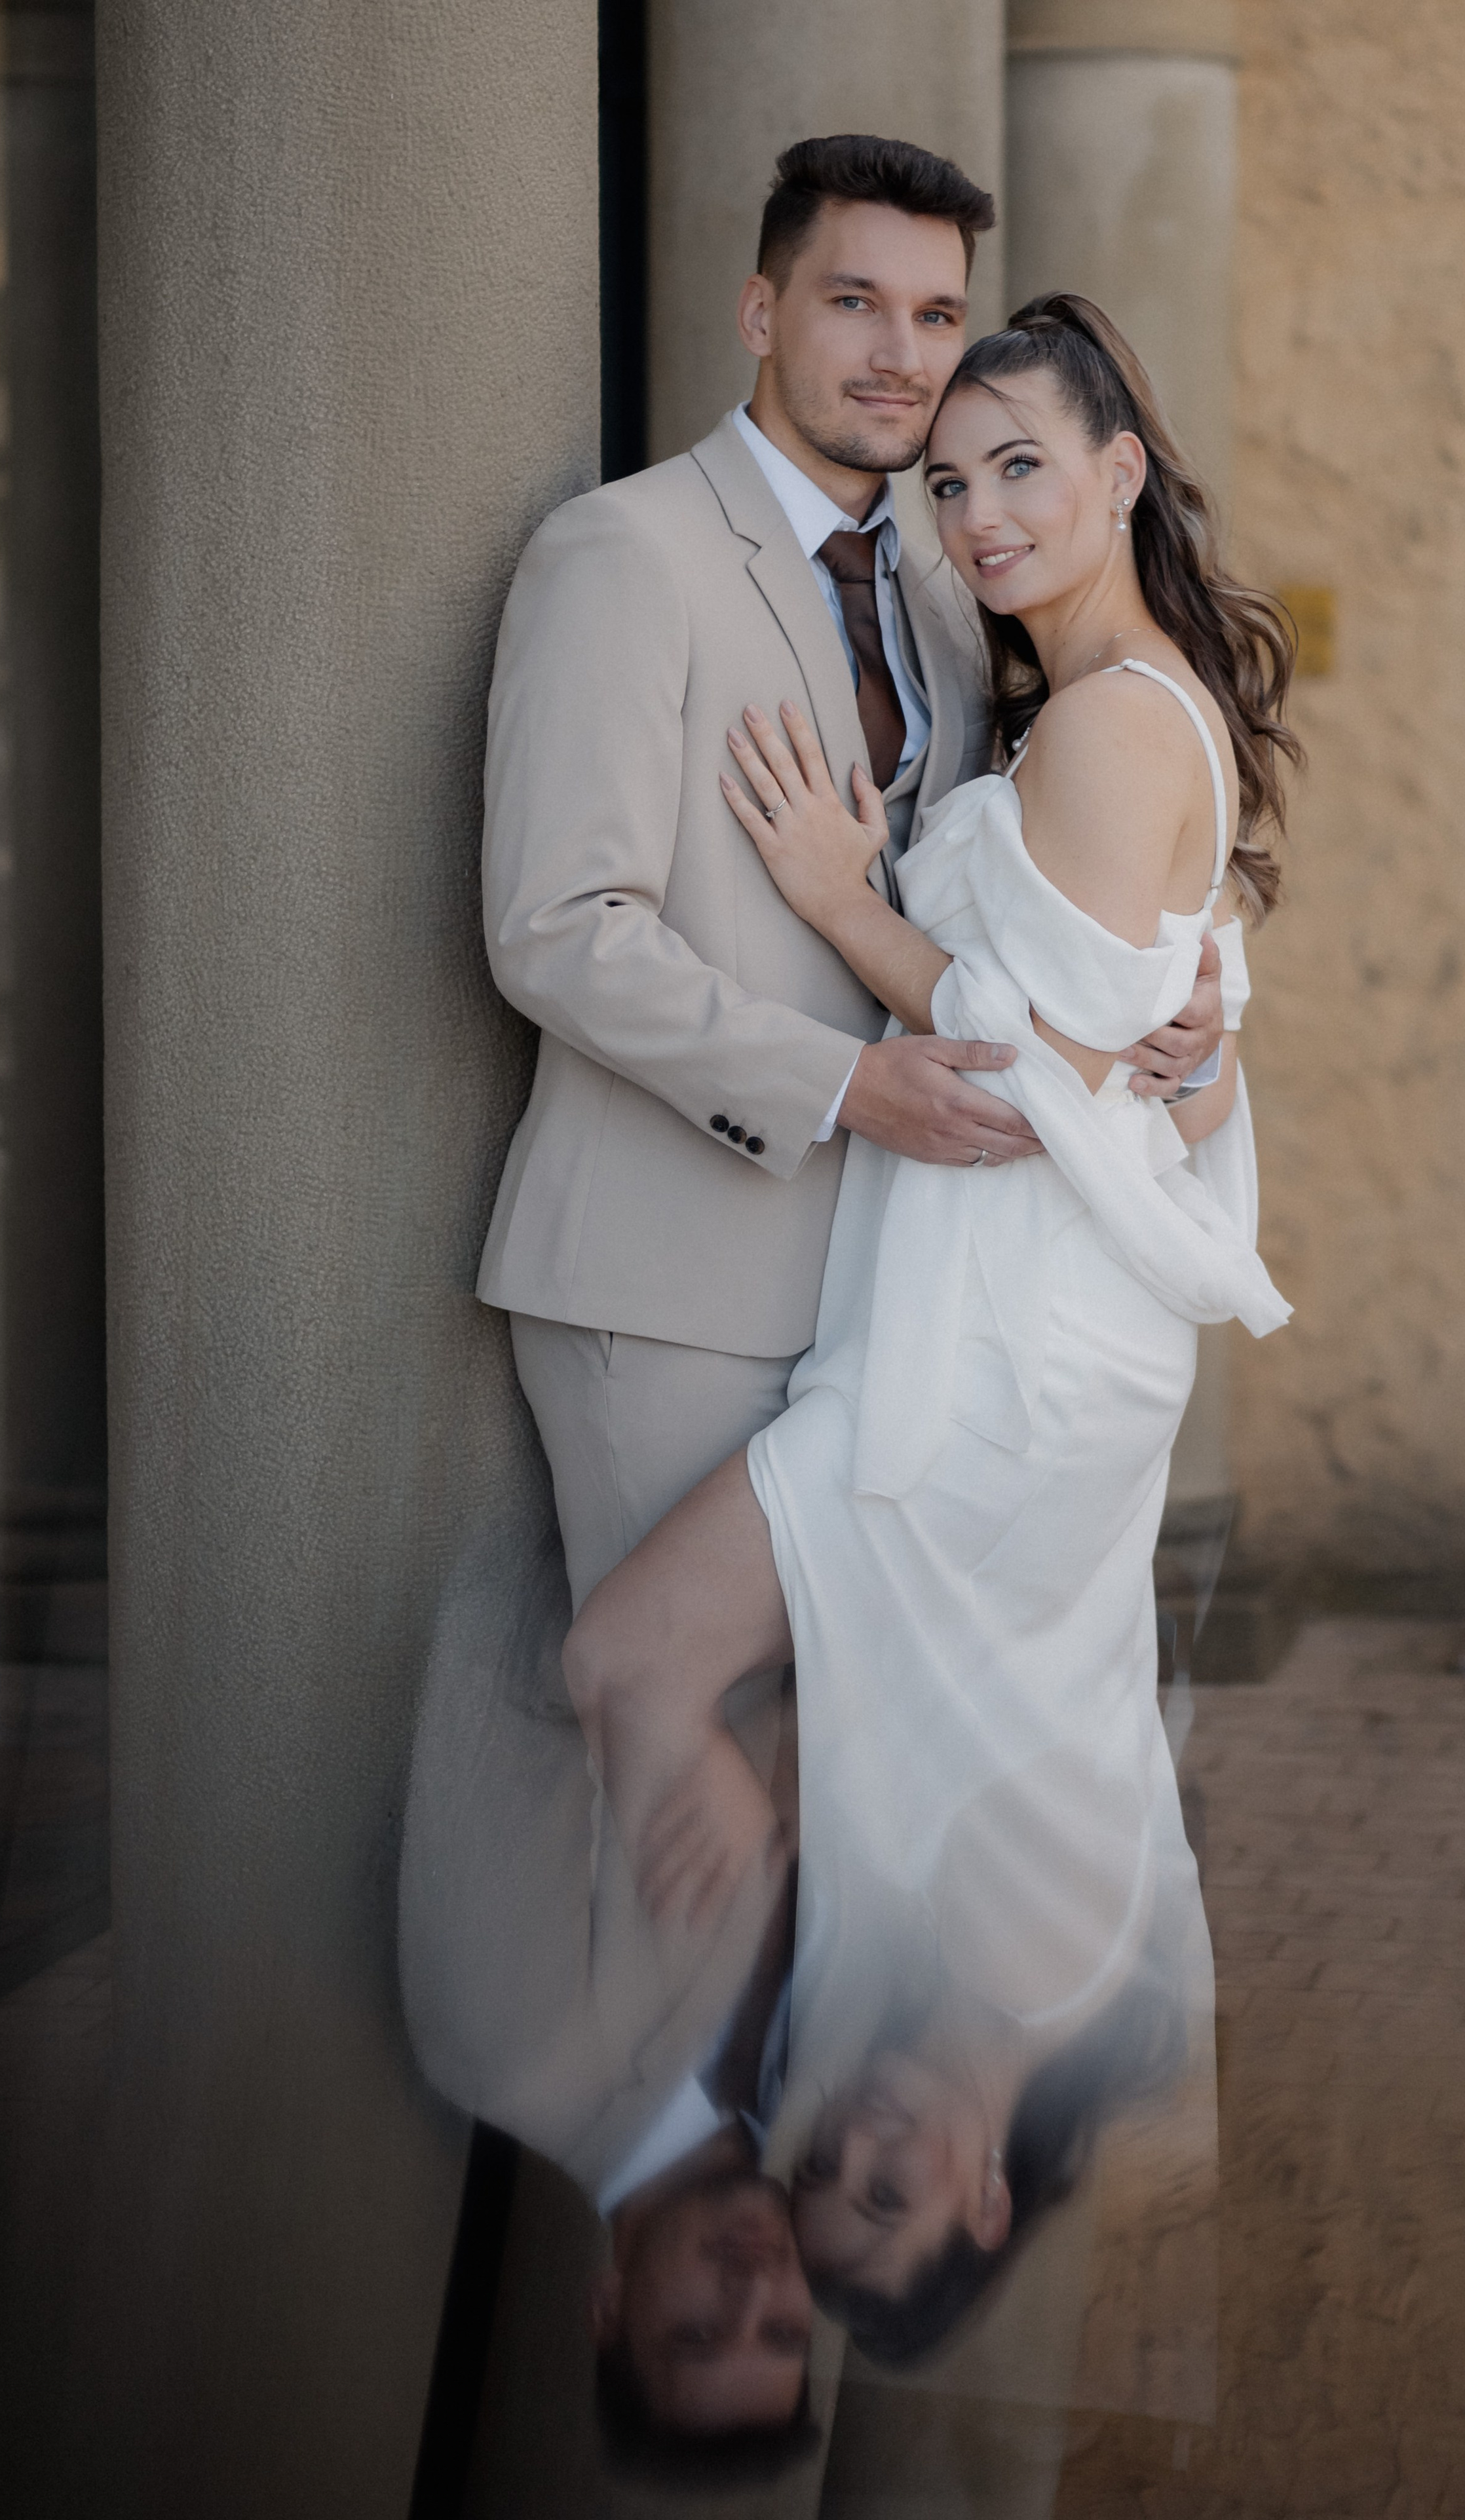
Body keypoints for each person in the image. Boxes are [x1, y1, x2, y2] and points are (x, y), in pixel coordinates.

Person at [560, 290, 1295, 2376]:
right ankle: (743, 1831)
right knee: (699, 1679)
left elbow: (1028, 1065)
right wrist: (1179, 1042)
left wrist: (833, 892)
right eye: (953, 483)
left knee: (648, 1664)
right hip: (990, 1334)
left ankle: (732, 1836)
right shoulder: (1099, 710)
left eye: (1021, 470)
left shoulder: (1114, 719)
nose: (977, 518)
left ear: (1123, 474)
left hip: (1001, 1358)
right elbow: (1120, 1046)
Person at [476, 135, 1225, 1627]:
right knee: (653, 1716)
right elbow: (557, 929)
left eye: (936, 315)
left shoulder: (957, 589)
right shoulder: (621, 552)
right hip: (670, 1277)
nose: (900, 354)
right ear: (761, 313)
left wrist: (1175, 1011)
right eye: (853, 303)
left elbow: (1017, 910)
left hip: (895, 1287)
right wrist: (842, 1088)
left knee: (824, 1744)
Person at [398, 1522, 820, 2479]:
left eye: (700, 2332)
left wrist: (670, 1718)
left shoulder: (510, 2049)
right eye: (784, 2331)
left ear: (608, 2307)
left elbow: (501, 1634)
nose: (754, 2289)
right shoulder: (814, 2091)